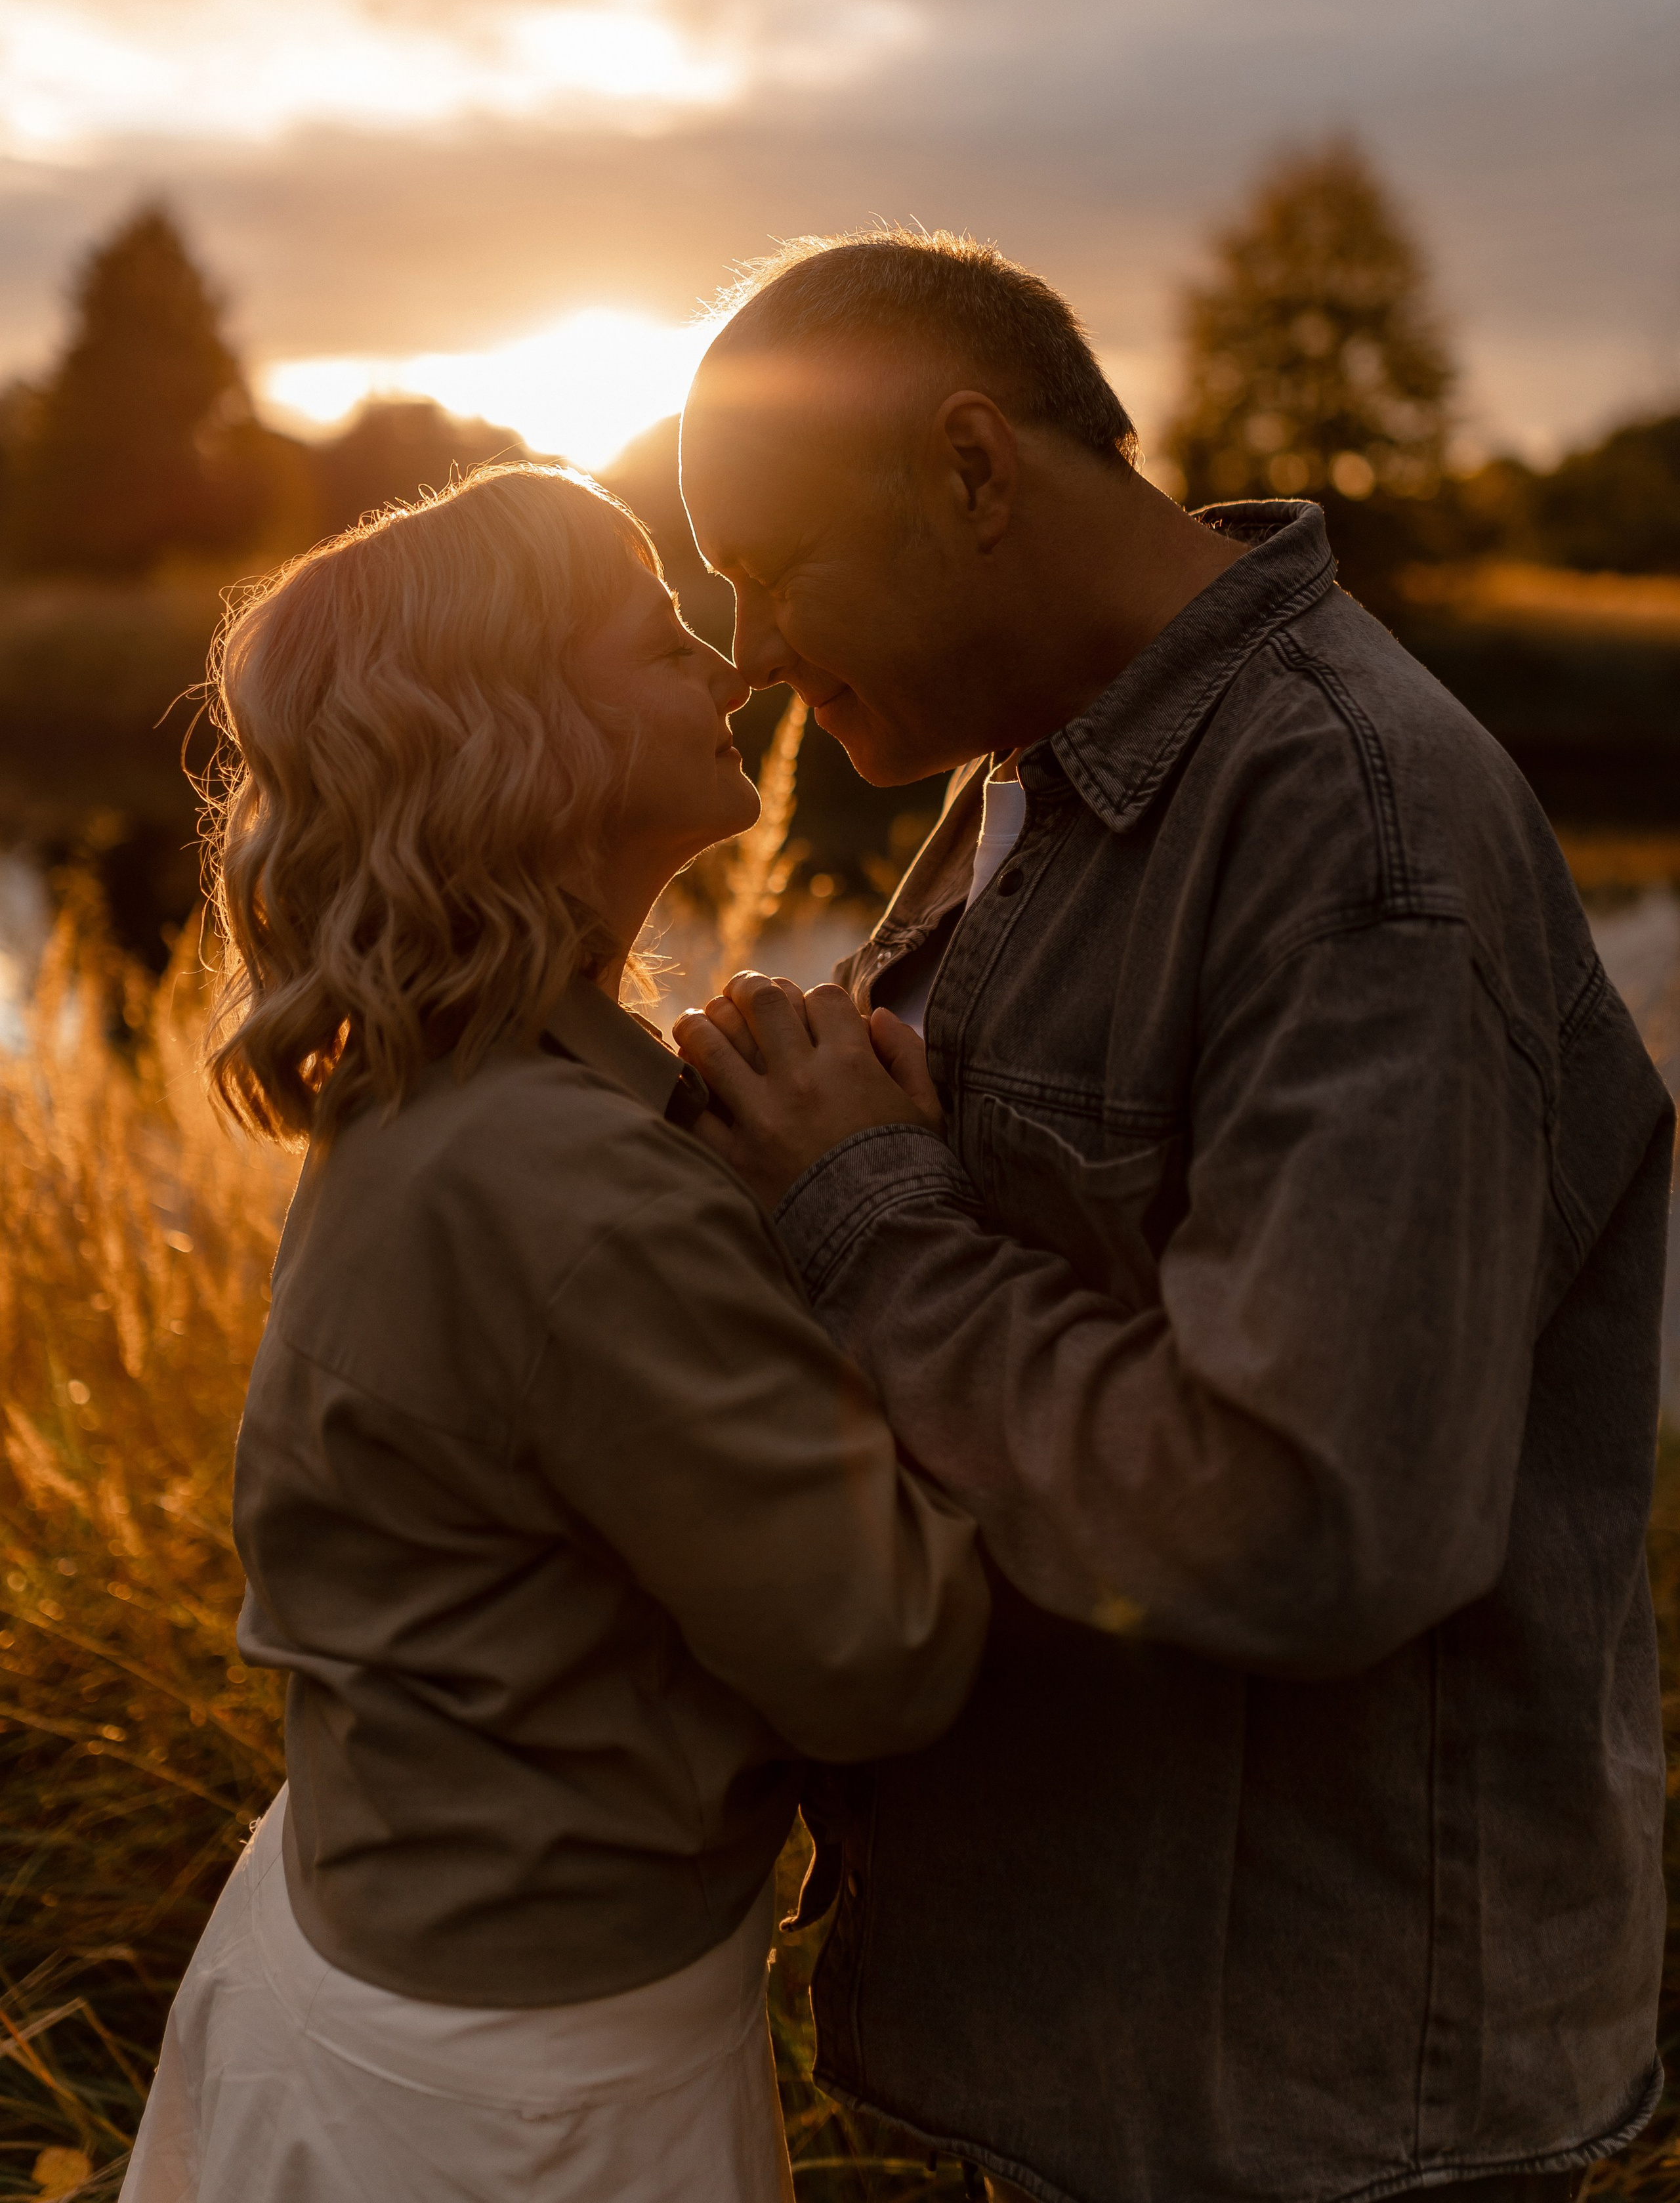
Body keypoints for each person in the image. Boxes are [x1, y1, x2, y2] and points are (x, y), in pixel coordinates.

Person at [672, 231, 1674, 2203]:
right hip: (1104, 2053)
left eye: (778, 566)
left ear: (973, 474)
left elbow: (1309, 1519)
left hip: (1298, 2108)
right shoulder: (1044, 763)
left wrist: (859, 1209)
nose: (753, 650)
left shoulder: (1354, 828)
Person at [119, 463, 989, 2203]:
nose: (729, 665)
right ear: (526, 730)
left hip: (375, 1944)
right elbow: (889, 1648)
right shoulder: (570, 1188)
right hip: (509, 2099)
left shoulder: (453, 1074)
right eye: (659, 632)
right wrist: (882, 1200)